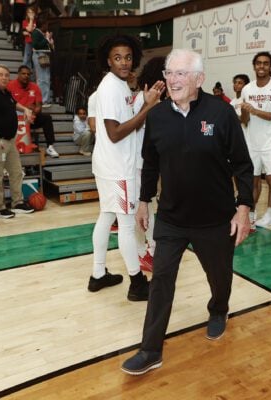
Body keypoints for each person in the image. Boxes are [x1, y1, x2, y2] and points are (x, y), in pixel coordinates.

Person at [121, 48, 253, 375]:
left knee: (219, 277)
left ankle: (218, 309)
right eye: (169, 73)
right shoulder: (157, 116)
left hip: (215, 219)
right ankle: (150, 349)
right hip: (171, 218)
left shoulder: (221, 114)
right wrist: (143, 200)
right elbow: (151, 163)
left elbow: (242, 164)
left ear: (199, 78)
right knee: (161, 280)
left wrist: (243, 208)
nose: (173, 80)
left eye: (181, 73)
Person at [87, 35, 164, 301]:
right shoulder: (110, 88)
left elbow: (129, 119)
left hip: (108, 166)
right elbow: (115, 132)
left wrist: (142, 101)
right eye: (117, 57)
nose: (124, 62)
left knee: (106, 216)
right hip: (118, 168)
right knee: (127, 226)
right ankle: (137, 283)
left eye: (128, 57)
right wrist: (148, 107)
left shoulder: (119, 86)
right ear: (108, 60)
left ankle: (98, 274)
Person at [240, 51, 271, 243]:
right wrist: (245, 112)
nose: (262, 66)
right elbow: (245, 120)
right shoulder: (247, 89)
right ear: (254, 66)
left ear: (270, 67)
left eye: (266, 63)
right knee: (252, 183)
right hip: (252, 142)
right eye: (259, 63)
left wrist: (255, 110)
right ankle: (251, 220)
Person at [0, 65, 35, 218]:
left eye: (6, 75)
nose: (4, 77)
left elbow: (14, 104)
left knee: (16, 172)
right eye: (0, 74)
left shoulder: (6, 93)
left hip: (9, 141)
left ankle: (17, 203)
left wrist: (26, 109)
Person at [132, 56, 167, 272]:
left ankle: (149, 250)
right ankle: (142, 252)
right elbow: (135, 128)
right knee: (143, 209)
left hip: (150, 164)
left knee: (149, 207)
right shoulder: (143, 99)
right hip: (139, 163)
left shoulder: (160, 99)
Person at [7, 65, 59, 157]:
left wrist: (33, 112)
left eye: (28, 74)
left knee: (47, 118)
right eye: (23, 73)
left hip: (30, 118)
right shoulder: (10, 85)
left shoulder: (35, 87)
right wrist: (25, 108)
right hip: (15, 118)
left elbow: (39, 106)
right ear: (18, 74)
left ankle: (50, 146)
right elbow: (7, 104)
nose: (26, 76)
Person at [32, 16, 54, 107]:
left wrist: (48, 39)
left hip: (43, 55)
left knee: (45, 78)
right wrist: (47, 39)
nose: (47, 27)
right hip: (40, 55)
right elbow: (36, 45)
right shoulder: (36, 33)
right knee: (42, 78)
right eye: (46, 25)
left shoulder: (41, 33)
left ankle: (45, 99)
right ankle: (42, 100)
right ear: (42, 25)